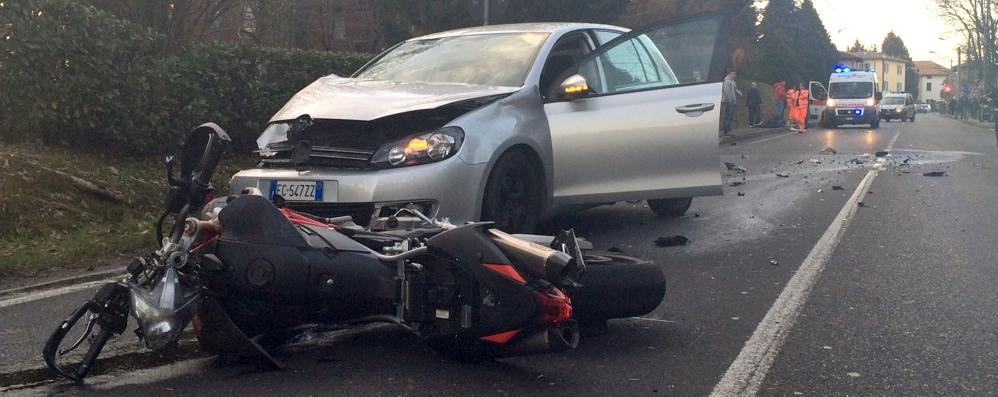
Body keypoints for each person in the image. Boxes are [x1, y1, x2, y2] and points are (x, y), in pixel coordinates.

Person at [721, 71, 741, 135]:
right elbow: (726, 92)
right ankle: (726, 130)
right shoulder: (727, 81)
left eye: (734, 74)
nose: (734, 76)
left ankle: (729, 129)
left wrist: (738, 92)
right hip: (729, 101)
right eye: (732, 74)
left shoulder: (732, 82)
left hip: (733, 100)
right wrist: (729, 100)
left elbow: (734, 89)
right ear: (730, 74)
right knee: (728, 116)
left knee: (731, 116)